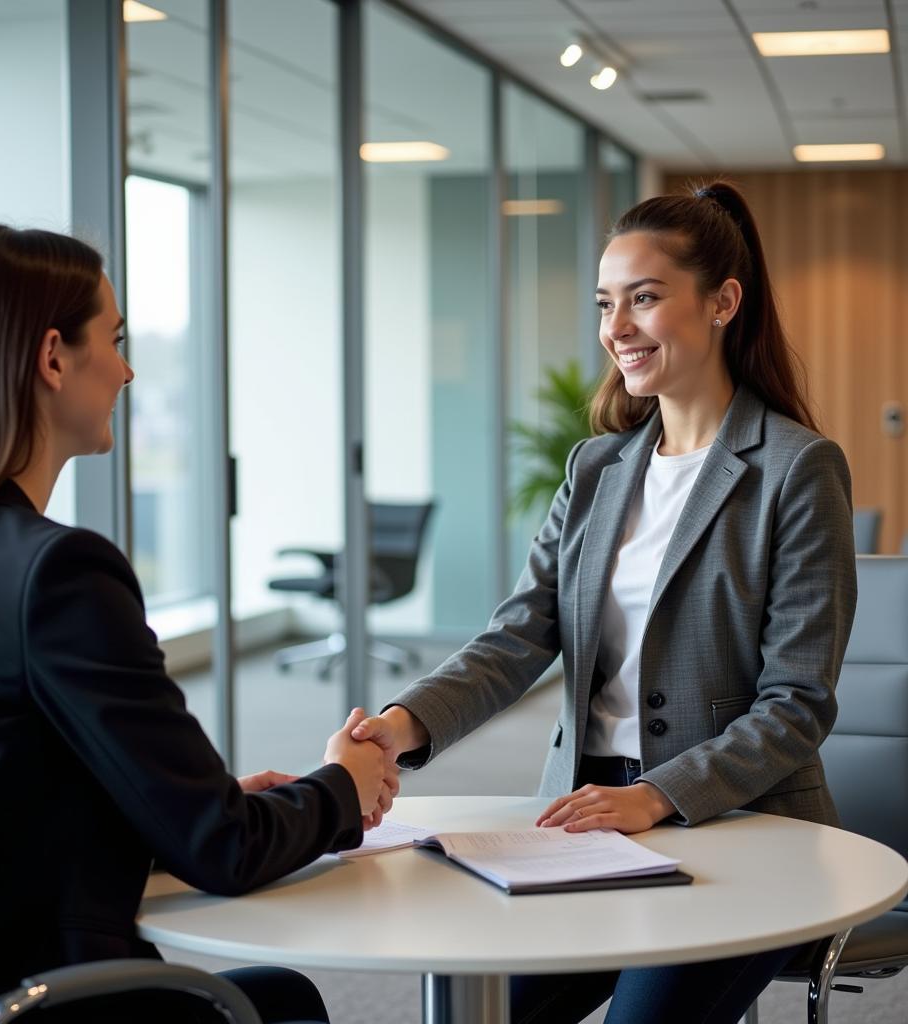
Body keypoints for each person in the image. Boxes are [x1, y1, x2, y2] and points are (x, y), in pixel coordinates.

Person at [352, 181, 857, 1023]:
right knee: (480, 1007)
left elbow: (797, 704)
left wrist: (658, 795)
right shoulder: (596, 469)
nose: (614, 328)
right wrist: (397, 729)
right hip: (583, 821)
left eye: (645, 299)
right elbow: (516, 638)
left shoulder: (795, 471)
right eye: (605, 303)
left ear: (724, 302)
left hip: (741, 826)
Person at [0, 225, 395, 1024]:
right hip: (40, 994)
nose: (126, 370)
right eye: (115, 341)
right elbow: (225, 851)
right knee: (283, 1003)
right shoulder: (55, 575)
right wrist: (342, 790)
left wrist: (191, 801)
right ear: (53, 358)